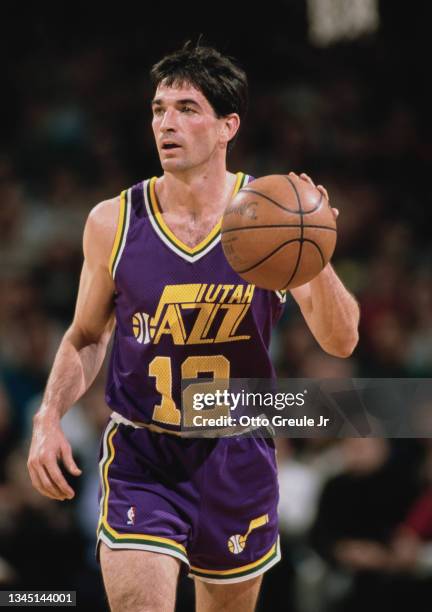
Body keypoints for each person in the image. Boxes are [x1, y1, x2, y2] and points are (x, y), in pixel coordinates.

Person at [27, 42, 360, 612]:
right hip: (144, 454)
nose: (166, 123)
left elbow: (342, 341)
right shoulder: (112, 220)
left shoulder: (271, 217)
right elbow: (85, 335)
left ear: (228, 125)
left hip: (238, 453)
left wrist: (318, 254)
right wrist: (48, 416)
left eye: (186, 108)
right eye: (159, 109)